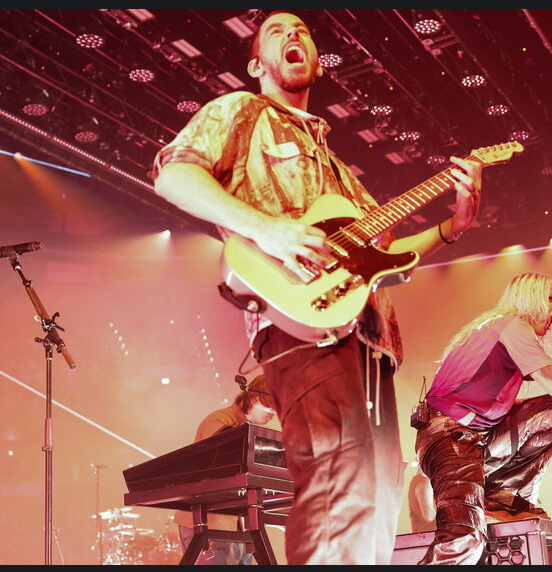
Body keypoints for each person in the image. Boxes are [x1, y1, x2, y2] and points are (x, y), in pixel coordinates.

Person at [151, 10, 483, 565]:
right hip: (301, 324)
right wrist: (266, 228)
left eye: (302, 30)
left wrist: (454, 228)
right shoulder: (240, 112)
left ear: (320, 63)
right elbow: (172, 172)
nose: (293, 36)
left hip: (373, 346)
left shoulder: (340, 171)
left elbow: (392, 255)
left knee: (376, 504)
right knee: (337, 483)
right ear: (256, 63)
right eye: (277, 32)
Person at [413, 272, 552, 564]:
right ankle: (496, 496)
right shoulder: (513, 326)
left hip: (473, 436)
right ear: (528, 297)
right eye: (549, 298)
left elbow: (546, 400)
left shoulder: (494, 328)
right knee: (464, 536)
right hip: (450, 437)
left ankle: (502, 496)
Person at [174, 375, 277, 565]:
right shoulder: (219, 421)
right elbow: (219, 470)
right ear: (253, 398)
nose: (273, 412)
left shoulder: (250, 429)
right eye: (269, 405)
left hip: (238, 524)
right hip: (209, 522)